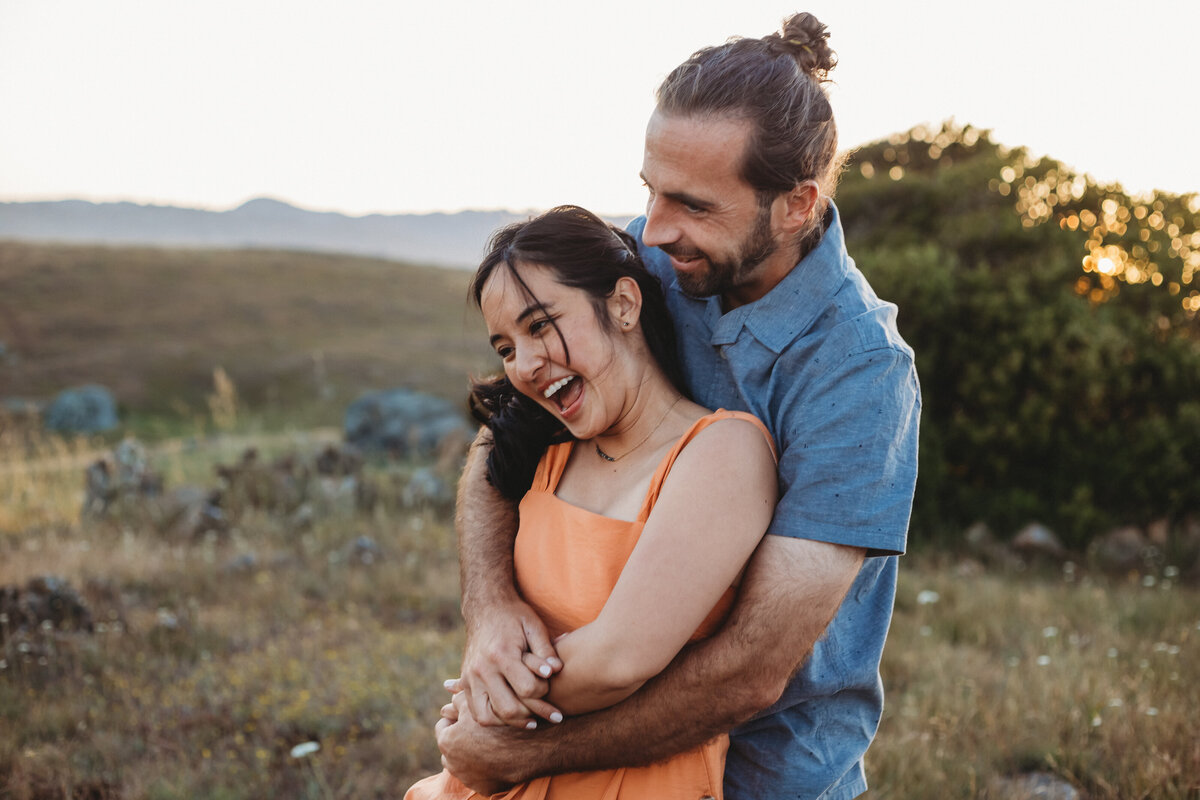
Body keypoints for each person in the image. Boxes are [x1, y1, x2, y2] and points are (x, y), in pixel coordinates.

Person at [438, 12, 920, 800]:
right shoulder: (652, 262)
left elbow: (753, 671)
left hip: (770, 775)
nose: (653, 229)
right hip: (580, 719)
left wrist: (520, 742)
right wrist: (489, 609)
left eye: (692, 204)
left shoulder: (861, 374)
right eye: (649, 192)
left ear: (795, 206)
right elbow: (509, 434)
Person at [406, 205, 779, 799]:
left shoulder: (722, 452)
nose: (525, 366)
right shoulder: (545, 451)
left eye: (539, 326)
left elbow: (618, 660)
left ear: (624, 305)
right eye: (504, 347)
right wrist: (487, 619)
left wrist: (482, 709)